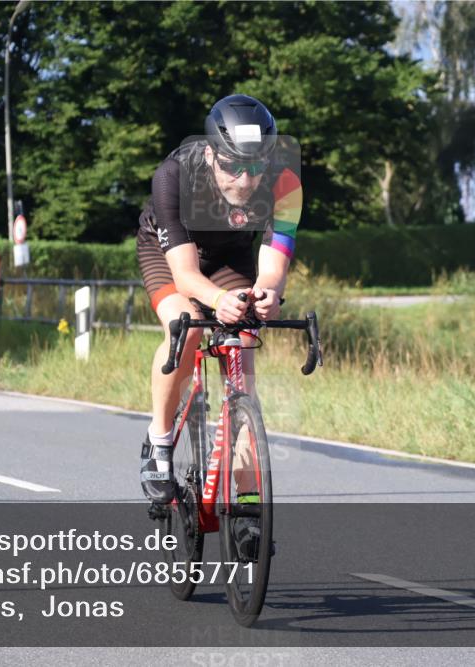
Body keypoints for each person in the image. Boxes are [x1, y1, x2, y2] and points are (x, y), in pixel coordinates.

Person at [135, 94, 301, 505]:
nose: (244, 182)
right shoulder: (172, 175)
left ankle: (246, 500)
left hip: (230, 254)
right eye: (231, 167)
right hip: (171, 252)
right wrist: (219, 298)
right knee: (184, 326)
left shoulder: (286, 183)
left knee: (244, 347)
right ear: (210, 153)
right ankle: (159, 442)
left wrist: (268, 294)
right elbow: (187, 275)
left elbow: (273, 263)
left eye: (255, 167)